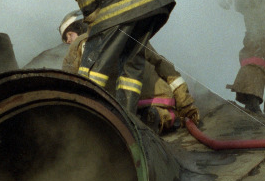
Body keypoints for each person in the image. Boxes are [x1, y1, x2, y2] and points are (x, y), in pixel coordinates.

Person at [25, 0, 175, 114]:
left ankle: (85, 113)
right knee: (131, 61)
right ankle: (127, 116)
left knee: (94, 57)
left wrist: (93, 19)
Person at [61, 22, 201, 134]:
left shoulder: (78, 45)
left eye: (69, 35)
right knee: (169, 114)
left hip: (119, 107)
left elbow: (69, 83)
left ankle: (148, 119)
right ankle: (161, 117)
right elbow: (163, 66)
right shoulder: (128, 32)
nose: (67, 41)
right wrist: (186, 104)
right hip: (159, 98)